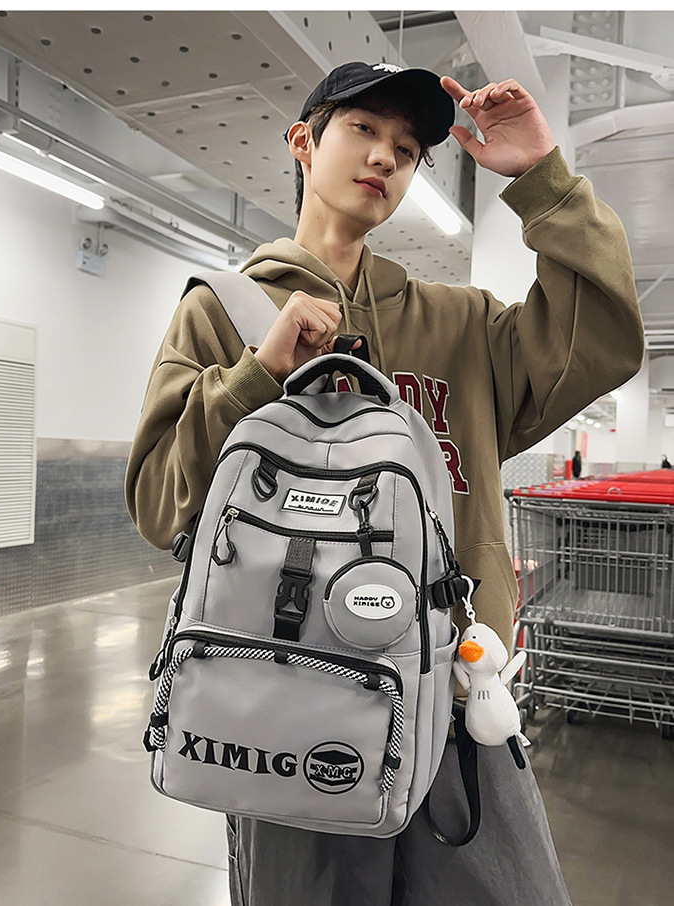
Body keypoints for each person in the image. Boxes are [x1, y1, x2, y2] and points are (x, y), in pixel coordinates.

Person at [126, 61, 644, 905]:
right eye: (363, 129)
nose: (384, 158)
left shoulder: (462, 327)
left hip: (458, 707)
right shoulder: (220, 312)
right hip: (283, 709)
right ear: (304, 141)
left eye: (406, 150)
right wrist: (257, 376)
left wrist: (542, 181)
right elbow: (158, 502)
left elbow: (603, 342)